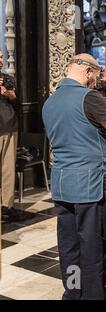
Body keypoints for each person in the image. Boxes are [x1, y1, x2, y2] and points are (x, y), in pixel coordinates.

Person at [42, 53, 106, 300]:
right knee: (96, 245)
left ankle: (73, 293)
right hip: (90, 184)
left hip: (62, 184)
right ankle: (94, 295)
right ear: (87, 72)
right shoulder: (90, 97)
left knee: (69, 247)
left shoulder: (49, 102)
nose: (96, 81)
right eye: (96, 76)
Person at [0, 49, 21, 222]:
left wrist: (9, 95)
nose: (1, 60)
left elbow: (17, 101)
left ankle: (7, 206)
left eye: (1, 57)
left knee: (8, 169)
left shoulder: (7, 79)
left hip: (8, 126)